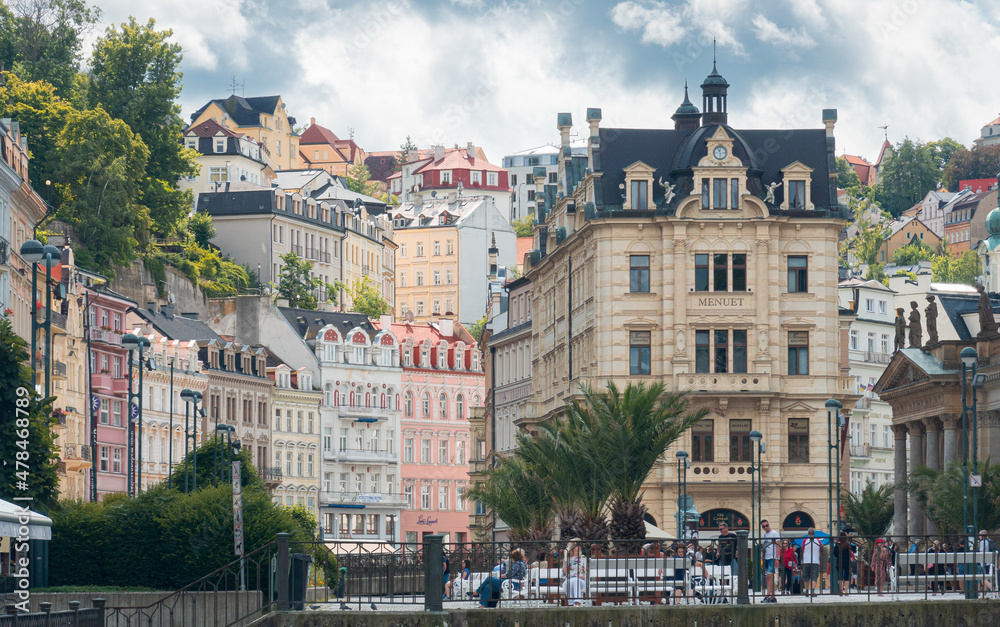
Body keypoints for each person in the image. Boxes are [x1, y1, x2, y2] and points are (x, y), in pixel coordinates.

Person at [563, 539, 588, 606]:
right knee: (570, 582)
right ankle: (572, 603)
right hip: (569, 580)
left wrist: (584, 576)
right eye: (576, 545)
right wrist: (566, 561)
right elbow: (564, 573)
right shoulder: (568, 558)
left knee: (575, 580)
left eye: (579, 545)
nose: (579, 546)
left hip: (581, 581)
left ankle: (577, 603)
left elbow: (586, 571)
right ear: (572, 547)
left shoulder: (583, 558)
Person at [761, 519, 780, 603]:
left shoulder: (775, 534)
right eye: (763, 526)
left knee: (769, 576)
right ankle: (773, 596)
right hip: (766, 558)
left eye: (766, 525)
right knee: (770, 578)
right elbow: (763, 547)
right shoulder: (764, 536)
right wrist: (762, 557)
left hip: (772, 558)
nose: (765, 527)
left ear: (769, 525)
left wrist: (777, 558)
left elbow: (778, 546)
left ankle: (768, 596)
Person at [801, 528, 822, 597]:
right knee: (814, 577)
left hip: (806, 561)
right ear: (814, 533)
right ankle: (812, 591)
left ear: (808, 533)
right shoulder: (818, 541)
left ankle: (807, 591)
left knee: (806, 577)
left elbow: (802, 549)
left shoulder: (805, 540)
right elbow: (821, 549)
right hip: (815, 561)